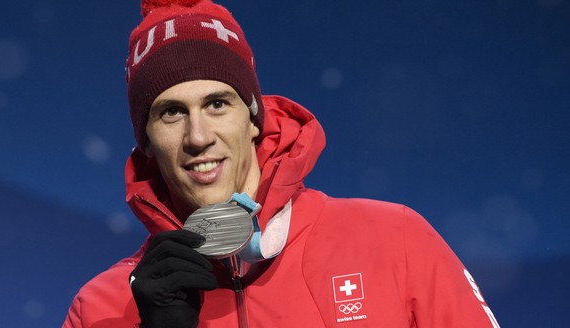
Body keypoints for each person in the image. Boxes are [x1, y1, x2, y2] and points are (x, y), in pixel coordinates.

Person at [63, 0, 500, 327]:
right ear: (147, 142)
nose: (198, 137)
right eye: (171, 112)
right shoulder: (101, 306)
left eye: (218, 104)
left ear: (254, 119)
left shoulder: (394, 241)